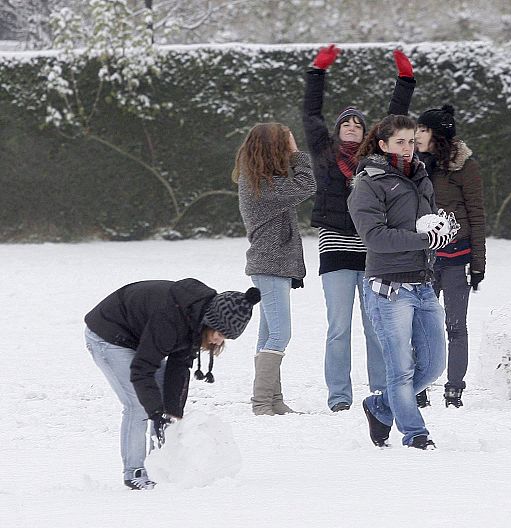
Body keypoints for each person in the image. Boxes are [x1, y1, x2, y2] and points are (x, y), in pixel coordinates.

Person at [302, 44, 416, 412]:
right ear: (337, 131)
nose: (352, 127)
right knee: (338, 327)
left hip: (371, 249)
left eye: (358, 124)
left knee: (374, 326)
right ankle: (339, 397)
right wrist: (318, 71)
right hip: (334, 245)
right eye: (345, 123)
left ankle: (381, 392)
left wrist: (405, 79)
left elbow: (394, 119)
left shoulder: (374, 157)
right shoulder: (323, 152)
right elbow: (311, 112)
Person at [85, 279, 260, 490]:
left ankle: (158, 466)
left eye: (225, 338)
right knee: (138, 404)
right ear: (210, 321)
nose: (218, 341)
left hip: (140, 337)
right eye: (220, 334)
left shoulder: (194, 317)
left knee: (165, 405)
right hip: (109, 335)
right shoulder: (171, 319)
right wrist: (155, 411)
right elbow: (142, 369)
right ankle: (135, 472)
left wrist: (172, 412)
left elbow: (179, 366)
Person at [348, 114, 453, 450]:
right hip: (388, 286)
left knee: (435, 365)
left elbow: (427, 222)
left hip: (422, 282)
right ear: (383, 145)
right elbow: (376, 238)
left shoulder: (420, 175)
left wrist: (441, 233)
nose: (408, 149)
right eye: (400, 142)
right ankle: (415, 434)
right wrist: (424, 239)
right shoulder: (369, 182)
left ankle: (379, 406)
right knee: (401, 369)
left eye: (412, 141)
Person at [233, 122, 316, 416]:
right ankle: (261, 403)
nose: (288, 149)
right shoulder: (261, 186)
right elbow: (307, 184)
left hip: (272, 265)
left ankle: (274, 400)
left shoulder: (263, 181)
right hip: (270, 265)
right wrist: (297, 154)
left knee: (268, 334)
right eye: (284, 144)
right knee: (281, 334)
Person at [414, 104, 486, 408]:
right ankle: (419, 386)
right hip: (421, 260)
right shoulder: (412, 164)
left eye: (424, 130)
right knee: (419, 325)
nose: (417, 135)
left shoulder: (464, 166)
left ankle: (454, 388)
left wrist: (478, 263)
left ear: (438, 135)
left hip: (458, 258)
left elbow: (477, 214)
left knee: (456, 326)